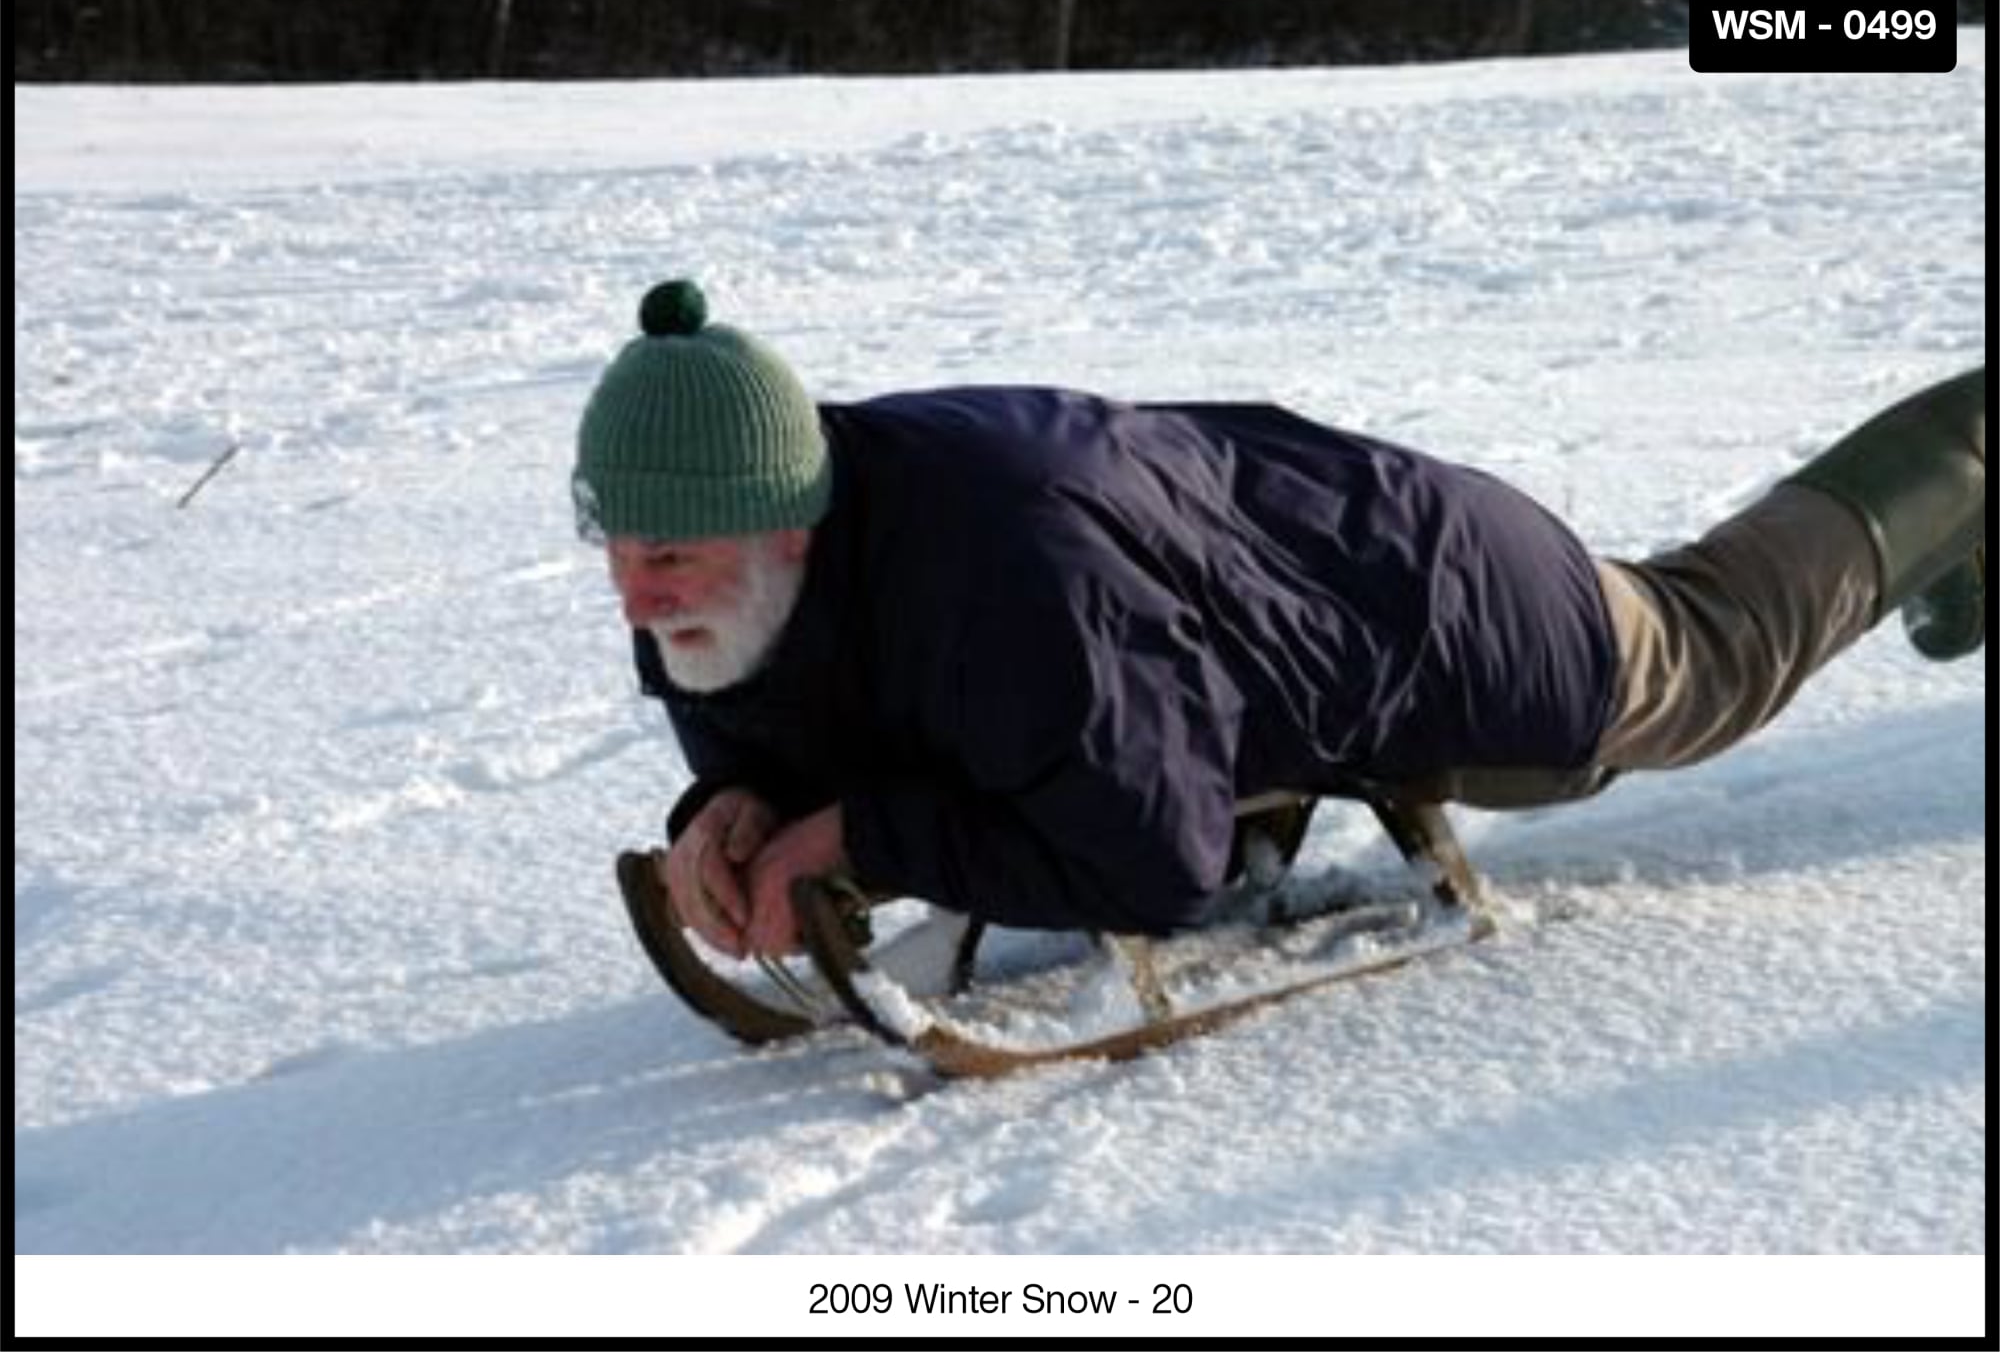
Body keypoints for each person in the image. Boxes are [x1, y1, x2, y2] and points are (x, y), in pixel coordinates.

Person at [573, 279, 1985, 959]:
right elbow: (826, 704)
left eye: (675, 556)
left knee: (1721, 634)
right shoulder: (744, 556)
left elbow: (1154, 864)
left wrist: (859, 834)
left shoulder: (1009, 574)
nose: (642, 598)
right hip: (1310, 557)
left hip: (1460, 608)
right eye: (619, 547)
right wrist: (740, 799)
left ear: (788, 517)